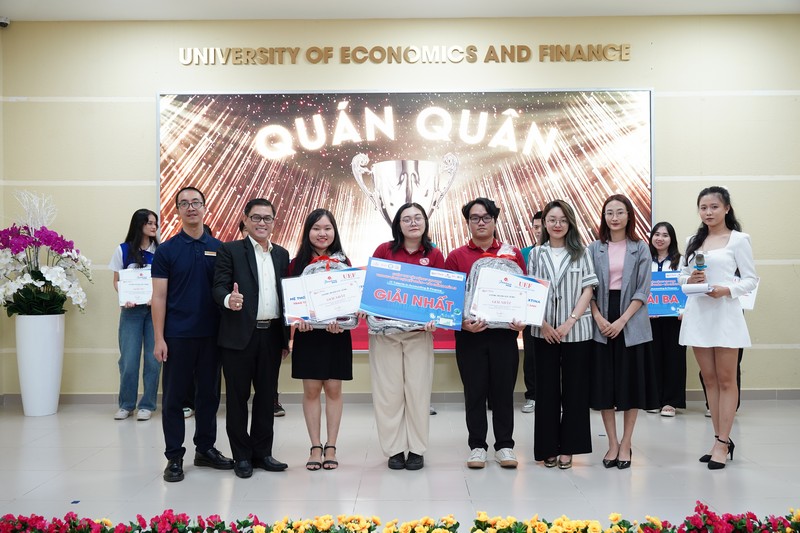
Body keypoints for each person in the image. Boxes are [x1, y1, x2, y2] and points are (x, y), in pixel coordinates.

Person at [151, 186, 234, 482]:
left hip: (212, 335)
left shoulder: (221, 249)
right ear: (177, 210)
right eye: (184, 203)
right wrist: (159, 338)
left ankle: (205, 449)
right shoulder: (167, 250)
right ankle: (174, 456)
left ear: (205, 207)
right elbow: (159, 297)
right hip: (178, 336)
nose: (191, 207)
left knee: (209, 396)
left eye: (196, 202)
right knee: (174, 399)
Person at [444, 197, 527, 469]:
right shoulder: (456, 257)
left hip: (504, 336)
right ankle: (477, 446)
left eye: (486, 217)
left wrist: (523, 321)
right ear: (468, 223)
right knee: (475, 392)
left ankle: (504, 446)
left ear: (494, 220)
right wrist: (462, 323)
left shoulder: (512, 254)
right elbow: (449, 300)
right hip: (471, 336)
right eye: (475, 218)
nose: (481, 222)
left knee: (503, 392)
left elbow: (523, 293)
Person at [679, 186, 757, 470]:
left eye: (714, 207)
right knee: (709, 379)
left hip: (725, 314)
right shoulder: (693, 241)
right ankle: (717, 439)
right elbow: (681, 277)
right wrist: (691, 280)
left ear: (726, 208)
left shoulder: (738, 240)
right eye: (703, 207)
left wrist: (726, 290)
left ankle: (724, 442)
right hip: (699, 314)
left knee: (726, 380)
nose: (708, 212)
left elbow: (750, 279)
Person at [212, 198, 291, 478]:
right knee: (237, 398)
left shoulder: (282, 254)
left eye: (267, 218)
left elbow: (287, 296)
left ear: (273, 222)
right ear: (245, 220)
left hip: (271, 335)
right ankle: (242, 456)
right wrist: (228, 299)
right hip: (238, 336)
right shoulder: (230, 250)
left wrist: (286, 337)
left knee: (267, 397)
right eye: (256, 217)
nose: (261, 223)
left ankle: (262, 453)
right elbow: (218, 286)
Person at [368, 202, 444, 471]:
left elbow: (442, 294)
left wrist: (437, 317)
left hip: (418, 335)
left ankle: (417, 450)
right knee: (388, 394)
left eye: (418, 218)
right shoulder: (384, 251)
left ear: (425, 222)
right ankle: (395, 449)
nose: (413, 223)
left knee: (418, 393)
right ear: (398, 225)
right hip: (385, 335)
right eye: (407, 219)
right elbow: (372, 289)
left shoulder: (434, 254)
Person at [588, 194, 657, 470]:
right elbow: (588, 287)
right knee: (605, 385)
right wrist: (598, 317)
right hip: (601, 318)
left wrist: (622, 321)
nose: (614, 217)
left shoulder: (640, 248)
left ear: (629, 216)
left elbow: (643, 289)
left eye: (620, 212)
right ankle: (612, 443)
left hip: (632, 318)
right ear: (603, 217)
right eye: (609, 213)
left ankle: (626, 443)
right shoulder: (594, 248)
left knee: (630, 384)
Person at [527, 200, 597, 469]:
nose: (557, 225)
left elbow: (588, 289)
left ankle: (569, 447)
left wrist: (570, 322)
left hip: (576, 331)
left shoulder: (582, 252)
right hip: (542, 331)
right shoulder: (536, 254)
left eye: (563, 220)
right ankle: (548, 448)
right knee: (546, 391)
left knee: (574, 391)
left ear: (570, 223)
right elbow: (530, 290)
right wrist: (543, 323)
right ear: (544, 223)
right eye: (552, 220)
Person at [289, 209, 353, 471]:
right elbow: (291, 302)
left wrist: (344, 320)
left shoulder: (344, 263)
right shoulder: (296, 264)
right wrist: (298, 319)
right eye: (316, 228)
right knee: (312, 390)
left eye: (327, 228)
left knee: (334, 389)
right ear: (308, 232)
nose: (322, 233)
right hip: (308, 336)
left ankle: (332, 446)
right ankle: (315, 446)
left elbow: (349, 302)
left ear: (334, 231)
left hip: (336, 335)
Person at [108, 208, 160, 422]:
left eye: (155, 223)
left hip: (154, 311)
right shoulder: (123, 250)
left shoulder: (161, 250)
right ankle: (126, 405)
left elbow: (165, 282)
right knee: (128, 360)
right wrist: (125, 296)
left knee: (153, 360)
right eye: (149, 223)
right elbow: (116, 281)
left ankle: (147, 405)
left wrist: (155, 298)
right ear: (139, 225)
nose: (154, 227)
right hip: (130, 311)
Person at [648, 222, 687, 417]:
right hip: (650, 317)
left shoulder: (681, 261)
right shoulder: (645, 259)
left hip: (675, 318)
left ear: (672, 239)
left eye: (665, 235)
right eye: (657, 234)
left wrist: (685, 309)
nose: (660, 238)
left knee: (674, 358)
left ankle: (671, 401)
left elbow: (688, 286)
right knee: (652, 357)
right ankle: (654, 399)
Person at [520, 210, 543, 414]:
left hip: (557, 314)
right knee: (531, 356)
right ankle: (533, 396)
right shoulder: (524, 253)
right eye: (536, 227)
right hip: (530, 312)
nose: (539, 230)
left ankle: (558, 397)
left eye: (542, 226)